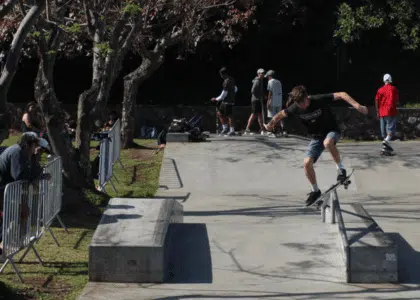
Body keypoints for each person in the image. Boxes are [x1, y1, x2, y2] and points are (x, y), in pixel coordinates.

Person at [263, 85, 368, 206]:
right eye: (300, 104)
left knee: (327, 142)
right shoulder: (295, 108)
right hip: (316, 137)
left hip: (331, 131)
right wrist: (270, 124)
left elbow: (342, 94)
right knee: (307, 163)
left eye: (305, 102)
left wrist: (357, 106)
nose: (304, 106)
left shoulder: (317, 99)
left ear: (307, 97)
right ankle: (315, 191)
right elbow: (280, 115)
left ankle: (340, 170)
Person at [375, 73, 399, 153]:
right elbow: (396, 100)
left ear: (384, 80)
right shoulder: (394, 89)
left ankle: (385, 149)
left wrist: (377, 111)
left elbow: (376, 101)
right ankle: (386, 141)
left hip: (382, 112)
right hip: (391, 111)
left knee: (384, 131)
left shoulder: (380, 90)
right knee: (391, 130)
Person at [211, 67, 237, 136]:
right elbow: (235, 89)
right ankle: (225, 129)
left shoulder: (226, 81)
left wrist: (216, 99)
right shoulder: (232, 79)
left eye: (221, 74)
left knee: (229, 115)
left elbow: (224, 94)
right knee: (220, 113)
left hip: (227, 101)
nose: (221, 76)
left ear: (223, 74)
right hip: (227, 101)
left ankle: (232, 131)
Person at [265, 70, 287, 137]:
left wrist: (268, 102)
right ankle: (283, 131)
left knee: (272, 116)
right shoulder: (279, 82)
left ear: (270, 76)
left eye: (268, 76)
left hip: (273, 100)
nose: (268, 78)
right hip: (279, 101)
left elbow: (270, 92)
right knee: (279, 116)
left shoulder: (270, 81)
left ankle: (272, 132)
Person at [244, 68, 265, 135]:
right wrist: (258, 97)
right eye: (261, 73)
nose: (262, 74)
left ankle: (262, 129)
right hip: (255, 100)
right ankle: (247, 128)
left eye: (263, 73)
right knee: (253, 114)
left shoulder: (260, 80)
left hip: (257, 100)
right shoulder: (257, 81)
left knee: (259, 115)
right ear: (258, 74)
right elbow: (252, 90)